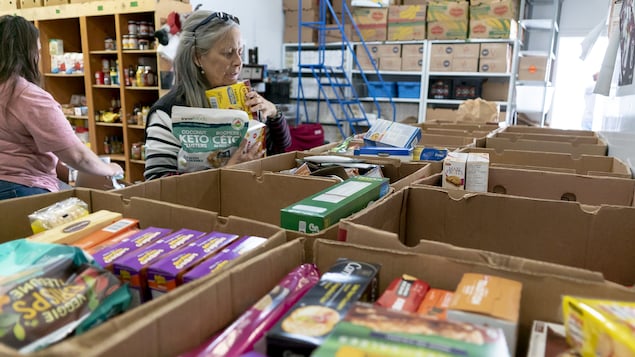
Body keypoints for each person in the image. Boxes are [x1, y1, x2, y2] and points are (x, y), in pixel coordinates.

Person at [144, 10, 291, 180]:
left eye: (240, 51)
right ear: (197, 57)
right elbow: (156, 182)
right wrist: (226, 174)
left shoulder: (241, 96)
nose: (238, 62)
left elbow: (279, 150)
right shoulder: (167, 113)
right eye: (228, 53)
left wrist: (274, 113)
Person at [0, 15, 124, 201]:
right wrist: (111, 169)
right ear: (29, 53)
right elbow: (77, 156)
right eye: (38, 51)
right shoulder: (27, 96)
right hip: (23, 190)